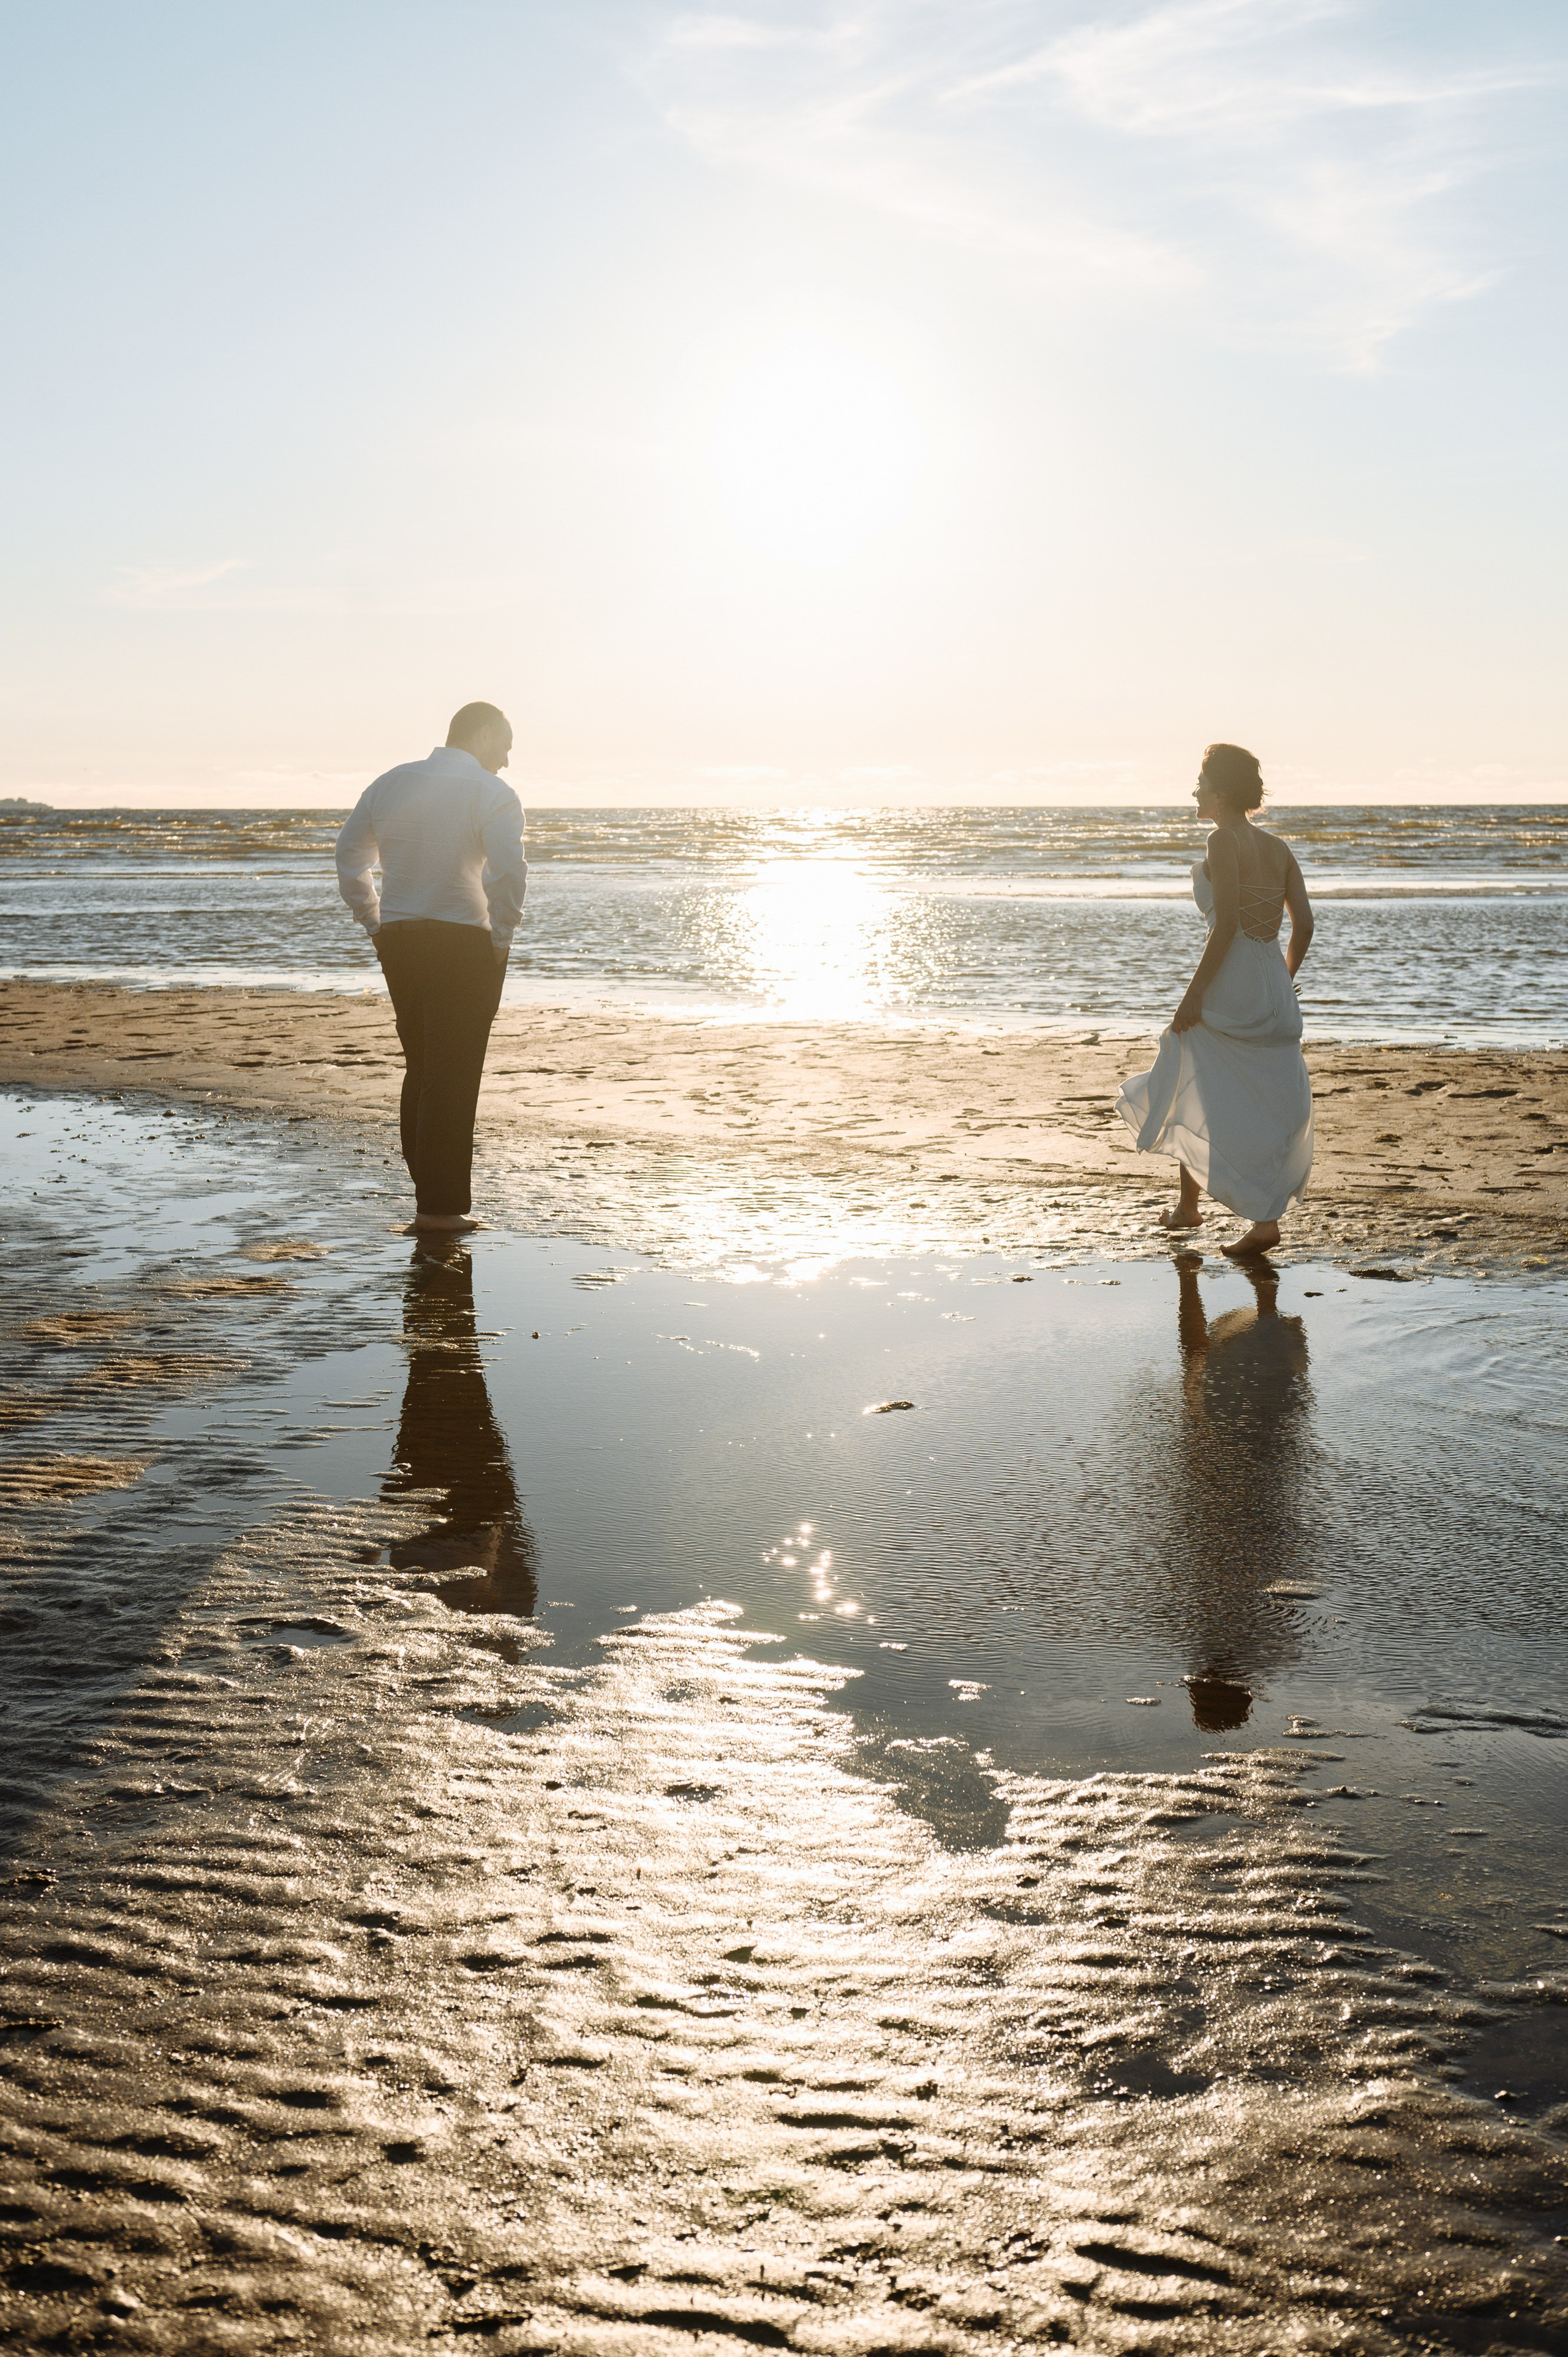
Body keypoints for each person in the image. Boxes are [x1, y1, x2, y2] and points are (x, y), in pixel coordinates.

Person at [1116, 744, 1314, 1256]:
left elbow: (1226, 923)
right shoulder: (1279, 849)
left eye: (1201, 783)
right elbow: (1305, 926)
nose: (1194, 792)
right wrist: (1280, 979)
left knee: (1190, 1076)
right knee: (1265, 1100)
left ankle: (1212, 1211)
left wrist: (1193, 996)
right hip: (1273, 984)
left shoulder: (1222, 841)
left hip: (1234, 982)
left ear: (1221, 794)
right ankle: (1217, 1212)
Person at [336, 702, 526, 1233]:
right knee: (453, 1073)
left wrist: (375, 923)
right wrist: (502, 940)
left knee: (423, 1068)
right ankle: (440, 1211)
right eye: (505, 744)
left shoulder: (391, 783)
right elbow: (508, 875)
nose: (507, 760)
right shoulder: (492, 793)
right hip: (464, 943)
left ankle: (430, 1197)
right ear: (484, 733)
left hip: (400, 939)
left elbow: (349, 857)